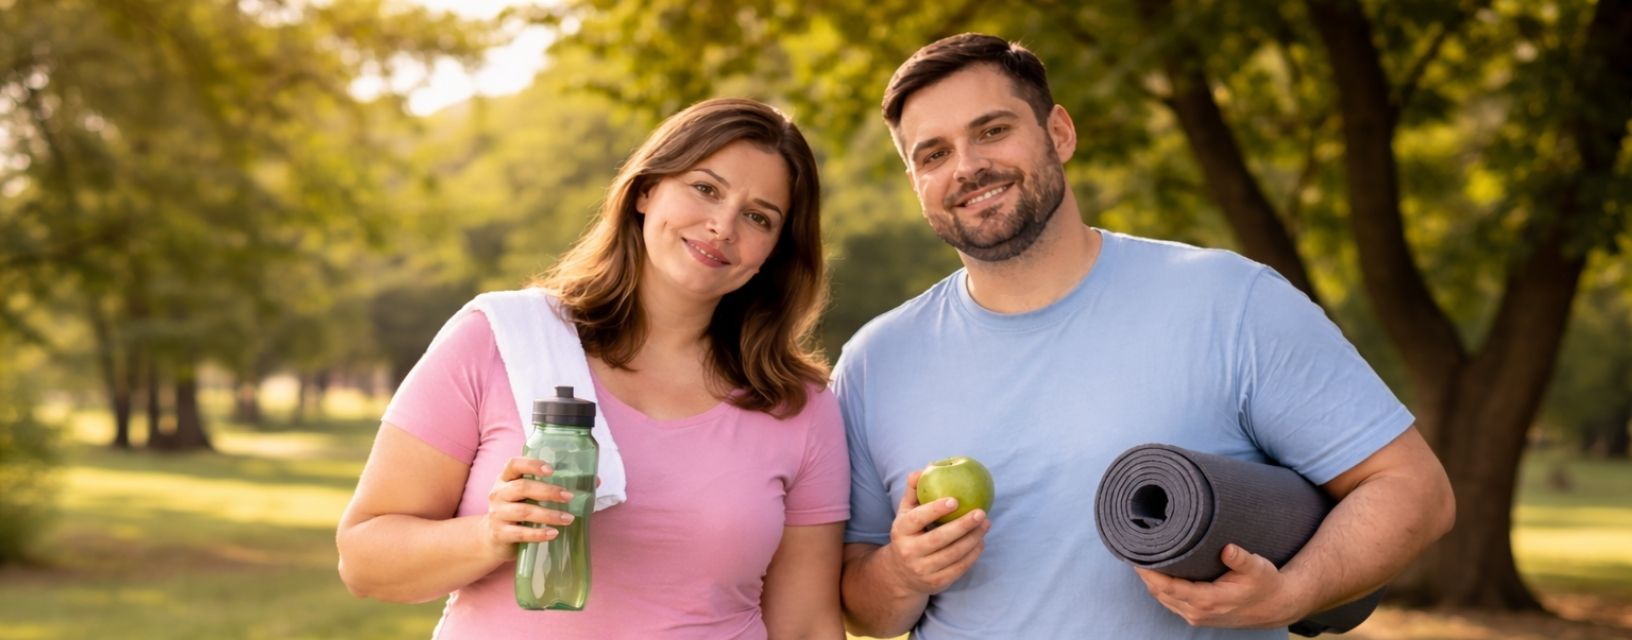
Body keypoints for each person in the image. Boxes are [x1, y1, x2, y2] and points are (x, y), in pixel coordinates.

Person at [833, 33, 1456, 638]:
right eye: (932, 154)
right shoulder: (873, 362)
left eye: (992, 130)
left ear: (1059, 132)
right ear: (916, 184)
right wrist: (900, 570)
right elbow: (865, 611)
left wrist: (1290, 594)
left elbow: (1413, 490)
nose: (967, 167)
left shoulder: (1230, 301)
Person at [337, 98, 850, 639]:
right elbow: (364, 562)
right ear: (647, 190)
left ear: (774, 250)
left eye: (758, 217)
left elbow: (808, 624)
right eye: (705, 188)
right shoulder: (501, 339)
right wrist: (491, 533)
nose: (723, 225)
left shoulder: (796, 405)